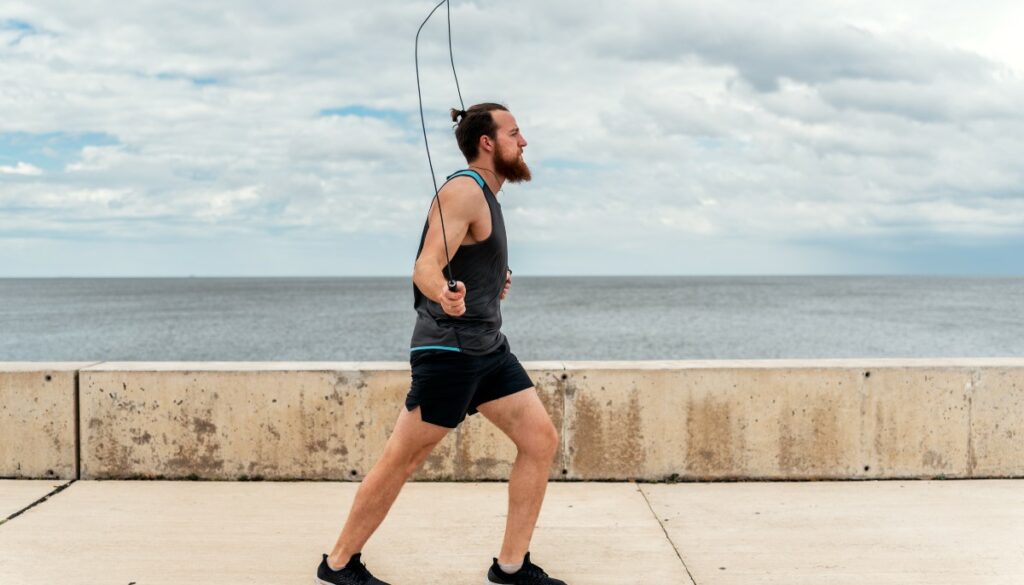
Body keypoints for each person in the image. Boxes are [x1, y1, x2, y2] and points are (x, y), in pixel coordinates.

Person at [314, 103, 568, 585]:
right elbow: (426, 266)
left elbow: (466, 262)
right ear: (488, 143)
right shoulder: (463, 191)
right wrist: (444, 297)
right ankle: (339, 563)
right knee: (401, 459)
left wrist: (493, 282)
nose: (525, 141)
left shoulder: (488, 198)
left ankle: (511, 567)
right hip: (450, 353)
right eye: (515, 133)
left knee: (540, 441)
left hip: (488, 350)